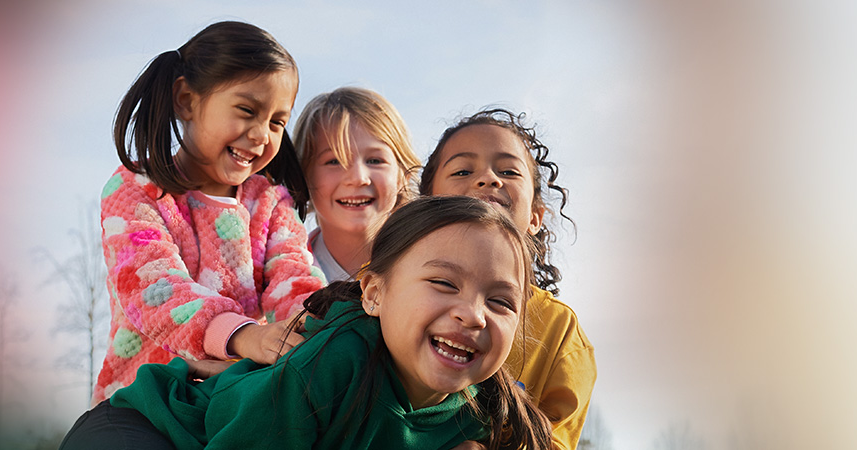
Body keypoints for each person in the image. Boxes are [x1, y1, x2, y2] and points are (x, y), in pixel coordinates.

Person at [61, 196, 554, 450]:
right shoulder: (335, 363)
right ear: (374, 293)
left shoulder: (479, 414)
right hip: (151, 427)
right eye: (444, 284)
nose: (473, 313)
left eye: (501, 301)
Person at [95, 20, 326, 403]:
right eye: (247, 110)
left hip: (239, 395)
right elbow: (156, 289)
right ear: (186, 99)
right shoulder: (136, 190)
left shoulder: (270, 202)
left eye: (276, 122)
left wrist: (321, 324)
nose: (260, 135)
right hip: (145, 398)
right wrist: (245, 336)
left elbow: (295, 278)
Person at [420, 109, 596, 449]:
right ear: (425, 207)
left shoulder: (559, 332)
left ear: (535, 217)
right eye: (462, 170)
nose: (488, 178)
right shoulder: (385, 287)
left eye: (508, 171)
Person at [290, 87, 423, 282]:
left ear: (403, 174)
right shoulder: (277, 277)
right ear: (303, 176)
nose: (358, 178)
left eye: (375, 161)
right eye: (334, 161)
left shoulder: (434, 267)